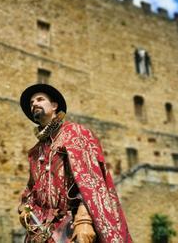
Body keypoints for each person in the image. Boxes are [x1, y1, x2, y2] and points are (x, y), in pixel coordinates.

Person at [18, 84, 132, 243]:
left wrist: (83, 220)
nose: (34, 104)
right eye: (31, 103)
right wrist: (26, 207)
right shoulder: (36, 151)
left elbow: (91, 182)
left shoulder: (75, 133)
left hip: (72, 227)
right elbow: (31, 187)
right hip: (42, 233)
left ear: (54, 106)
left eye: (40, 99)